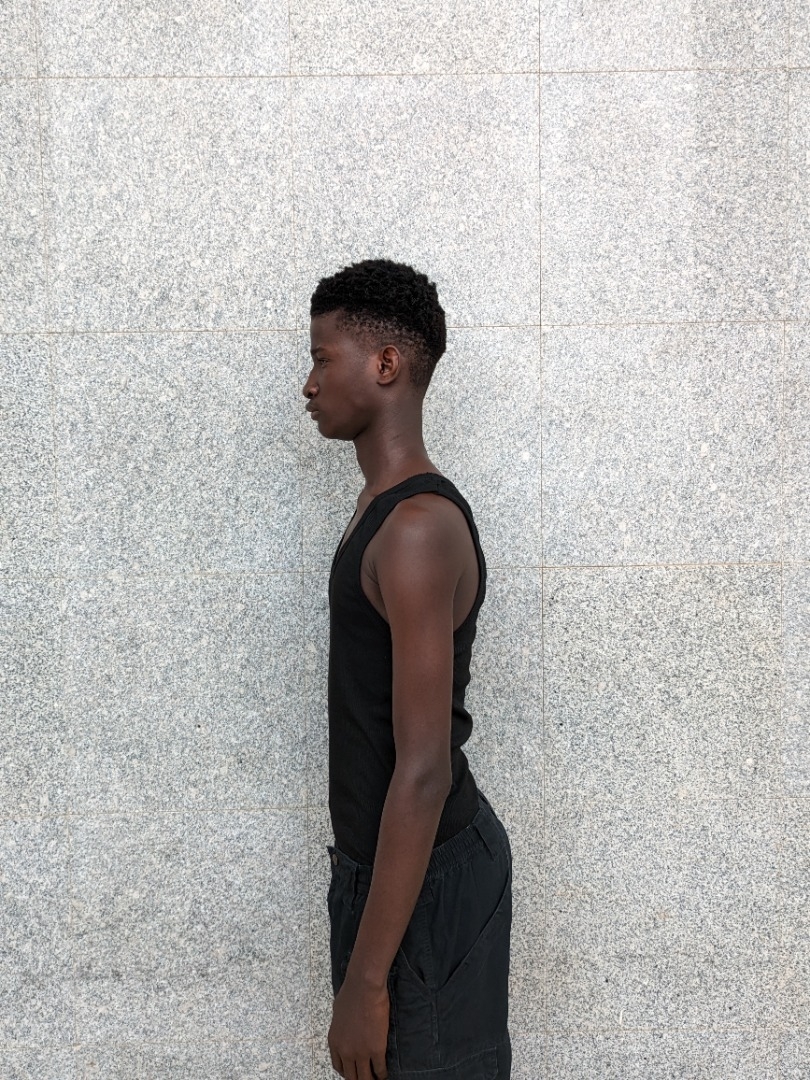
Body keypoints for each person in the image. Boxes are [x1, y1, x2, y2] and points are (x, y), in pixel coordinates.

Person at [302, 258, 512, 1080]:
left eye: (323, 358)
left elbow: (424, 771)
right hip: (390, 868)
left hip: (428, 876)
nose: (309, 384)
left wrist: (365, 981)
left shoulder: (416, 527)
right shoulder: (380, 508)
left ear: (386, 364)